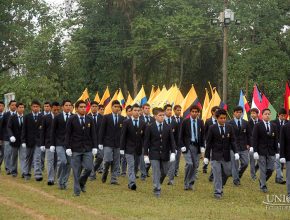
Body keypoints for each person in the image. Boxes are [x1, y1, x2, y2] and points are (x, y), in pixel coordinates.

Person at [65, 100, 98, 196]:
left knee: (88, 168)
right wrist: (68, 147)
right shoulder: (71, 119)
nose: (83, 109)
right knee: (76, 170)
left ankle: (82, 183)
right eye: (81, 107)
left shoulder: (89, 119)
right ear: (76, 108)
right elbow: (68, 134)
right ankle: (76, 191)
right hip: (75, 149)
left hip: (87, 148)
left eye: (84, 107)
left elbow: (93, 134)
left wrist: (95, 146)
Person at [204, 109, 239, 199]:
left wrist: (236, 152)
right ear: (217, 118)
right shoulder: (212, 128)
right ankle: (217, 192)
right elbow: (209, 143)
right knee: (217, 173)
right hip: (215, 155)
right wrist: (206, 156)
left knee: (227, 172)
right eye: (221, 118)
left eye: (224, 118)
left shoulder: (229, 127)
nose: (223, 120)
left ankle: (220, 185)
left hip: (226, 154)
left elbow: (233, 141)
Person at [144, 107, 176, 197]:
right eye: (160, 115)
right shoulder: (150, 127)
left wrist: (173, 152)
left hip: (165, 153)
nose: (162, 117)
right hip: (154, 153)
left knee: (165, 171)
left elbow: (172, 140)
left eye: (163, 115)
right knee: (156, 171)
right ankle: (157, 189)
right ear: (155, 116)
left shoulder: (168, 127)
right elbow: (146, 142)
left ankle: (158, 181)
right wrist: (145, 155)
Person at [252, 108, 279, 193]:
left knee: (271, 168)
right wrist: (255, 151)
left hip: (271, 151)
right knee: (263, 169)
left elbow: (276, 139)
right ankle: (263, 186)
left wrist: (277, 152)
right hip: (261, 151)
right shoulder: (258, 125)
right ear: (262, 115)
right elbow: (255, 139)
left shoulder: (273, 125)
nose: (267, 115)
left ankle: (262, 180)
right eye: (266, 114)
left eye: (269, 114)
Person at [120, 104, 146, 190]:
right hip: (128, 148)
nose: (137, 112)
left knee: (136, 166)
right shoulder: (126, 122)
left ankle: (132, 179)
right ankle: (132, 183)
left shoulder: (143, 122)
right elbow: (123, 136)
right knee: (130, 165)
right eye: (135, 110)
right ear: (131, 111)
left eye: (138, 110)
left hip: (138, 148)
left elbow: (145, 137)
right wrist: (122, 148)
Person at [99, 100, 125, 185]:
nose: (117, 108)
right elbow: (102, 130)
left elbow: (123, 133)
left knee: (116, 162)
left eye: (118, 107)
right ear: (111, 107)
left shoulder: (122, 118)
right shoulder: (106, 117)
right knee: (108, 160)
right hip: (107, 143)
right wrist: (100, 143)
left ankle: (113, 179)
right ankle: (105, 172)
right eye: (115, 107)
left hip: (117, 144)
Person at [180, 105, 205, 190]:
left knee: (195, 165)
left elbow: (202, 135)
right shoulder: (185, 121)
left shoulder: (200, 122)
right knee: (189, 164)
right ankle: (186, 183)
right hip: (187, 146)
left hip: (196, 146)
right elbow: (181, 135)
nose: (194, 113)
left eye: (196, 112)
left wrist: (202, 146)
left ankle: (191, 183)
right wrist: (182, 145)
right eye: (193, 112)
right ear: (190, 112)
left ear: (198, 113)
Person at [50, 100, 73, 190]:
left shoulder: (74, 117)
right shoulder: (57, 117)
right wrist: (52, 144)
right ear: (63, 107)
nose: (68, 107)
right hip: (59, 143)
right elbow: (53, 131)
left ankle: (64, 182)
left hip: (70, 145)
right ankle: (60, 180)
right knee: (63, 161)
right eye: (66, 105)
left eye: (69, 105)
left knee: (69, 164)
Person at [228, 106, 250, 186]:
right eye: (237, 112)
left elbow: (248, 135)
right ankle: (236, 180)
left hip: (243, 146)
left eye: (240, 112)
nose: (238, 113)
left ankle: (238, 174)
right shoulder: (229, 123)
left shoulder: (245, 122)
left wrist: (248, 144)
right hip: (233, 147)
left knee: (246, 163)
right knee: (235, 164)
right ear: (234, 113)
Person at [21, 100, 43, 181]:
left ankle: (38, 174)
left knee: (37, 158)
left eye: (37, 106)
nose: (35, 108)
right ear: (31, 107)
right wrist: (23, 141)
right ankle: (27, 173)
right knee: (28, 158)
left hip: (38, 141)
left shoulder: (42, 117)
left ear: (39, 107)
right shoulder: (27, 117)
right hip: (28, 141)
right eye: (34, 106)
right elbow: (24, 129)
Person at [40, 101, 61, 185]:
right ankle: (50, 179)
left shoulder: (60, 117)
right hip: (48, 143)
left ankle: (55, 177)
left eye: (57, 110)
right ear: (51, 108)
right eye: (54, 110)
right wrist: (42, 144)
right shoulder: (45, 118)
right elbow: (42, 132)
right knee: (50, 161)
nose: (56, 111)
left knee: (57, 161)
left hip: (59, 143)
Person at [7, 102, 25, 177]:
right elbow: (9, 127)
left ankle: (24, 172)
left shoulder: (26, 117)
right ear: (17, 108)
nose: (21, 109)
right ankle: (14, 171)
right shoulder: (12, 117)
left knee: (23, 156)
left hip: (23, 141)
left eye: (23, 107)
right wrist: (11, 136)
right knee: (14, 157)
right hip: (14, 140)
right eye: (20, 107)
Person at [163, 104, 179, 185]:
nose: (170, 111)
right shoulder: (161, 121)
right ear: (164, 111)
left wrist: (175, 147)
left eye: (170, 110)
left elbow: (176, 136)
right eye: (168, 110)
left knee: (173, 162)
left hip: (172, 146)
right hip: (162, 147)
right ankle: (161, 176)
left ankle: (171, 180)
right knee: (164, 164)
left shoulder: (174, 122)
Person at [271, 108, 288, 184]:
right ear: (278, 115)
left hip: (285, 145)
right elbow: (272, 134)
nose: (283, 117)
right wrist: (277, 142)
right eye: (282, 115)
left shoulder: (288, 123)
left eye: (284, 115)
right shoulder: (273, 122)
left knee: (282, 161)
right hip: (276, 144)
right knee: (278, 161)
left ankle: (278, 178)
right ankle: (279, 178)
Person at [88, 101, 103, 180]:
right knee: (90, 158)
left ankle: (93, 169)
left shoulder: (102, 117)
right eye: (93, 106)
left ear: (98, 107)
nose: (94, 108)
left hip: (99, 142)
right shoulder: (87, 117)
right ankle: (92, 175)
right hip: (89, 142)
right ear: (90, 107)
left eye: (96, 106)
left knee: (100, 157)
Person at [203, 106, 220, 181]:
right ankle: (205, 166)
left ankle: (212, 175)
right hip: (209, 142)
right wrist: (205, 141)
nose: (217, 113)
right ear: (212, 112)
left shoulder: (221, 120)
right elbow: (205, 132)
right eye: (216, 111)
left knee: (214, 158)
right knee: (209, 155)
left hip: (218, 143)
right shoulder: (208, 121)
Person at [1, 100, 17, 175]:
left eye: (15, 105)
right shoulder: (6, 115)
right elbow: (2, 126)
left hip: (16, 137)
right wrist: (1, 138)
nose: (14, 106)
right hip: (6, 137)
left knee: (14, 154)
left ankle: (13, 168)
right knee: (7, 153)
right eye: (12, 105)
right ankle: (8, 168)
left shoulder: (19, 114)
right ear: (9, 106)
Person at [139, 103, 155, 180]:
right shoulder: (139, 118)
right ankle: (143, 175)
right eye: (146, 108)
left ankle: (146, 171)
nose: (147, 110)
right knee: (143, 159)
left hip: (151, 142)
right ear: (142, 109)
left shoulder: (152, 119)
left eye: (149, 108)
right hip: (142, 142)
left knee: (151, 159)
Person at [248, 108, 261, 180]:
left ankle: (256, 169)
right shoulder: (248, 123)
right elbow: (248, 135)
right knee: (252, 161)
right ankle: (253, 175)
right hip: (251, 145)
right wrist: (250, 145)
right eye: (251, 113)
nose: (253, 114)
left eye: (254, 113)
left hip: (260, 145)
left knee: (260, 161)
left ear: (257, 114)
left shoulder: (261, 122)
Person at [279, 116, 290, 197]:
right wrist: (282, 155)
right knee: (289, 175)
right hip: (289, 155)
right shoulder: (285, 127)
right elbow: (282, 142)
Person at [172, 105, 183, 177]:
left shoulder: (183, 119)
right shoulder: (171, 119)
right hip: (172, 141)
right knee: (172, 157)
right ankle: (171, 170)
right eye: (177, 110)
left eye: (180, 110)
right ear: (174, 110)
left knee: (178, 158)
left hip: (179, 142)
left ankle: (176, 171)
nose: (179, 111)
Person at [0, 101, 6, 171]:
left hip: (3, 137)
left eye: (2, 106)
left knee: (3, 153)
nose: (0, 107)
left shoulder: (6, 115)